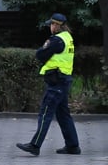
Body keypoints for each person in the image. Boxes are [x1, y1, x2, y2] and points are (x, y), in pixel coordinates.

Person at [16, 13, 80, 156]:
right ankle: (73, 146)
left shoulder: (56, 40)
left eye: (51, 24)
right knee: (63, 114)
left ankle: (35, 145)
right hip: (63, 79)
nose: (50, 27)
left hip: (56, 81)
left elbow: (40, 55)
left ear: (57, 25)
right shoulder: (68, 38)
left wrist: (43, 49)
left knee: (45, 113)